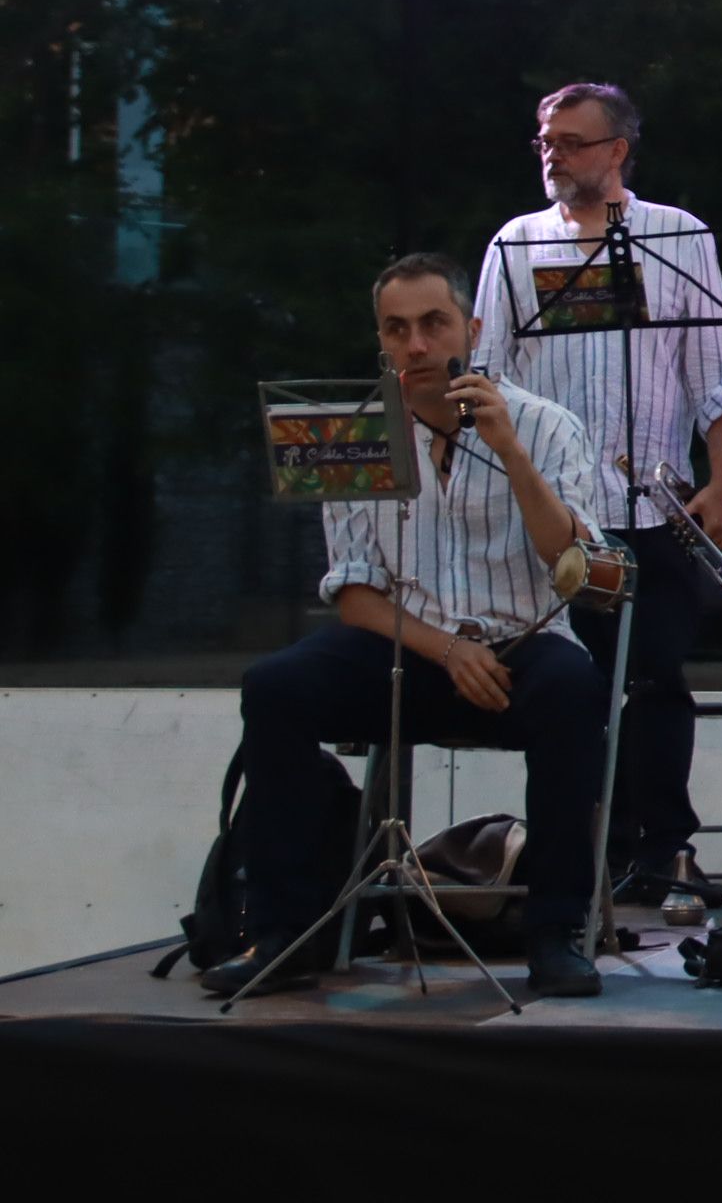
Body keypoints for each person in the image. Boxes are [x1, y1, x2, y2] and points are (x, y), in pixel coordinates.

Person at [210, 255, 612, 1001]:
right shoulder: (359, 429)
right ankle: (281, 931)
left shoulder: (545, 427)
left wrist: (510, 453)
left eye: (434, 325)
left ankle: (555, 934)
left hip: (523, 644)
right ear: (382, 345)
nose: (418, 346)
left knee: (575, 693)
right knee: (275, 688)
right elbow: (355, 595)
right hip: (408, 646)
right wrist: (447, 648)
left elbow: (575, 567)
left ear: (472, 330)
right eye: (398, 331)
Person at [472, 82, 722, 904]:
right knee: (577, 689)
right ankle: (588, 854)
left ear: (618, 151)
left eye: (571, 142)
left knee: (658, 677)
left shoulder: (677, 237)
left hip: (654, 507)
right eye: (544, 141)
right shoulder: (517, 244)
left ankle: (665, 851)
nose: (552, 154)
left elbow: (717, 370)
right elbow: (493, 377)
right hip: (558, 519)